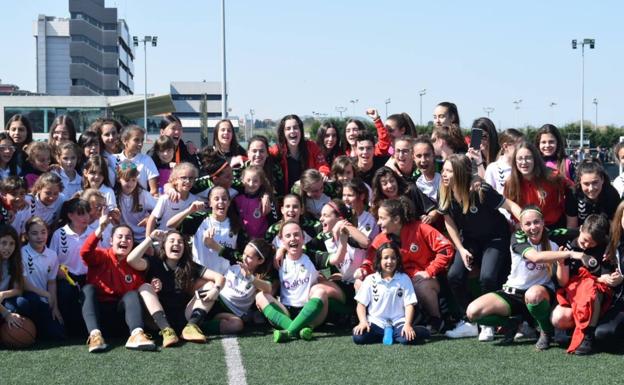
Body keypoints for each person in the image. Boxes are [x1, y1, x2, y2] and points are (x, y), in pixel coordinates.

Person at [465, 206, 583, 349]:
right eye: (527, 224)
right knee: (473, 313)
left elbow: (582, 232)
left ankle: (546, 332)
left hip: (540, 293)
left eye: (536, 222)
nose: (533, 227)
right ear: (521, 226)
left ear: (543, 222)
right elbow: (535, 257)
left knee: (533, 294)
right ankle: (512, 323)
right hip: (513, 293)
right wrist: (569, 254)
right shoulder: (518, 237)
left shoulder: (554, 236)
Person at [439, 154, 521, 340]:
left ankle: (487, 323)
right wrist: (460, 248)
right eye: (443, 170)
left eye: (449, 171)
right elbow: (449, 221)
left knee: (487, 277)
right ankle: (470, 321)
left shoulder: (480, 189)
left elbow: (509, 205)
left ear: (460, 173)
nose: (444, 174)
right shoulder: (444, 190)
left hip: (495, 238)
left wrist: (527, 220)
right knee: (454, 276)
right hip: (470, 240)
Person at [357, 198, 455, 333]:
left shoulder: (421, 228)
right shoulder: (381, 238)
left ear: (396, 219)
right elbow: (370, 260)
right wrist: (363, 270)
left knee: (422, 285)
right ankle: (371, 323)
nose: (378, 222)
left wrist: (430, 270)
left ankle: (436, 321)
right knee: (359, 282)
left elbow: (446, 248)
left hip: (425, 280)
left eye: (382, 218)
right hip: (397, 283)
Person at [126, 229, 226, 346]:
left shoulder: (189, 266)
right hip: (157, 322)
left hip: (183, 317)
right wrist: (150, 239)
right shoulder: (154, 262)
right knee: (145, 287)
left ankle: (192, 326)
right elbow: (131, 260)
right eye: (172, 241)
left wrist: (216, 289)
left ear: (184, 247)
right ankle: (166, 331)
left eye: (180, 242)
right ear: (163, 245)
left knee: (210, 285)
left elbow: (219, 277)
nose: (176, 244)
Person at [80, 208, 155, 353]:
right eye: (119, 237)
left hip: (122, 319)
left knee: (132, 294)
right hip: (98, 316)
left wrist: (154, 287)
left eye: (128, 238)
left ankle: (137, 335)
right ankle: (95, 336)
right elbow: (85, 252)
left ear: (133, 243)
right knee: (87, 289)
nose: (124, 240)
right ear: (110, 241)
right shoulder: (101, 256)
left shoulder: (135, 264)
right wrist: (100, 228)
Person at [256, 221, 334, 343]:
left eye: (297, 235)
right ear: (281, 241)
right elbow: (270, 287)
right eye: (288, 236)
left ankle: (290, 332)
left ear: (303, 239)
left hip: (309, 313)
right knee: (260, 296)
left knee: (321, 292)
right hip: (286, 312)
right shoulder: (277, 261)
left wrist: (343, 242)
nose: (293, 238)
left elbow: (335, 258)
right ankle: (299, 329)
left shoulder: (311, 256)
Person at [550, 214, 616, 355]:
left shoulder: (605, 247)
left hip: (594, 295)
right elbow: (563, 282)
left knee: (592, 288)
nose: (587, 246)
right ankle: (572, 329)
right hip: (570, 292)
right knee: (559, 318)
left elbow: (604, 275)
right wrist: (561, 263)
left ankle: (588, 335)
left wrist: (609, 278)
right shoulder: (567, 244)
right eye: (585, 240)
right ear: (580, 229)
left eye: (592, 244)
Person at [353, 242, 428, 345]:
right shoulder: (370, 279)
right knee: (359, 338)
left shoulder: (404, 279)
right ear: (379, 260)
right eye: (386, 258)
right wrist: (363, 322)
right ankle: (386, 333)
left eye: (393, 258)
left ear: (397, 260)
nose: (390, 261)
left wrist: (408, 324)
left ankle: (417, 330)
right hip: (376, 322)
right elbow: (361, 304)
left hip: (398, 322)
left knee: (407, 339)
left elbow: (409, 305)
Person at [169, 186, 245, 275]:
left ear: (229, 202)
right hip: (201, 275)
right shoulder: (200, 219)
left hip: (226, 278)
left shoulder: (235, 225)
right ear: (210, 203)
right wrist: (189, 211)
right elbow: (170, 224)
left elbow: (240, 256)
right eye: (216, 199)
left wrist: (214, 245)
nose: (220, 201)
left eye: (224, 199)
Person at [209, 238, 274, 334]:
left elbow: (268, 288)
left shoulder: (261, 275)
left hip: (230, 313)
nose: (244, 258)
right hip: (216, 300)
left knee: (237, 325)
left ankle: (203, 326)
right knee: (209, 285)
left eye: (249, 257)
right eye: (244, 253)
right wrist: (209, 241)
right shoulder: (237, 260)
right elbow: (221, 249)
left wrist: (250, 277)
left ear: (260, 261)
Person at [504, 141, 574, 228]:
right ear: (515, 161)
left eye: (528, 158)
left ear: (535, 159)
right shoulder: (510, 183)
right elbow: (510, 207)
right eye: (520, 158)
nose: (524, 162)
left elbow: (573, 189)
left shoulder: (552, 177)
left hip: (552, 228)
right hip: (527, 229)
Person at [48, 198, 91, 334]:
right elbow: (52, 259)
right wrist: (59, 272)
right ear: (70, 215)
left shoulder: (93, 232)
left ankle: (90, 329)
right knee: (65, 292)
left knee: (91, 293)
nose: (86, 217)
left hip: (89, 277)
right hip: (66, 278)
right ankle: (66, 328)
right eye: (81, 214)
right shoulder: (59, 234)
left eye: (87, 213)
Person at [21, 217, 65, 340]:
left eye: (43, 232)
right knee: (30, 301)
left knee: (58, 335)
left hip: (45, 300)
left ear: (48, 233)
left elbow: (52, 282)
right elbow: (24, 284)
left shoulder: (52, 255)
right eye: (34, 233)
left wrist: (55, 307)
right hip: (29, 298)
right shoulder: (21, 253)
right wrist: (45, 294)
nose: (39, 237)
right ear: (27, 235)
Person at [269, 114, 330, 193]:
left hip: (309, 193)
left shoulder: (311, 146)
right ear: (283, 133)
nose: (292, 131)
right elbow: (262, 154)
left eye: (295, 127)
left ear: (301, 130)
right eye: (288, 129)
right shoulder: (277, 150)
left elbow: (322, 164)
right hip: (287, 196)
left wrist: (323, 172)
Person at [147, 162, 200, 235]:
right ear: (175, 180)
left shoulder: (195, 200)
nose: (188, 181)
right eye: (183, 178)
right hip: (164, 238)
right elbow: (152, 219)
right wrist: (148, 240)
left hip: (183, 240)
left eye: (191, 178)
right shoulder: (166, 198)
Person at [567, 159, 620, 227]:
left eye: (595, 182)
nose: (591, 188)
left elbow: (615, 227)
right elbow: (571, 226)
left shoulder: (611, 194)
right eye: (586, 184)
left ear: (602, 180)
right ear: (579, 182)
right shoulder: (573, 194)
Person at [115, 160, 157, 243]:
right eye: (127, 180)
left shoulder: (143, 194)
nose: (130, 184)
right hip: (124, 238)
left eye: (133, 180)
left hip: (143, 237)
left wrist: (150, 218)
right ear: (119, 179)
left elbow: (158, 210)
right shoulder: (115, 195)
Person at [0, 224, 30, 330]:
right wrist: (7, 314)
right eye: (3, 243)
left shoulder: (16, 262)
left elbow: (18, 290)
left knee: (22, 303)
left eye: (12, 244)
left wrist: (3, 294)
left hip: (3, 300)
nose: (8, 248)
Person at [115, 125, 159, 196]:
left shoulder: (147, 160)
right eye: (136, 140)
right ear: (125, 141)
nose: (140, 144)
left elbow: (154, 190)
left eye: (142, 140)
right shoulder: (113, 159)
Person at [233, 166, 275, 238]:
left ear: (261, 182)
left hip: (261, 238)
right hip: (243, 238)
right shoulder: (237, 199)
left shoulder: (265, 200)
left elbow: (273, 218)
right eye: (248, 180)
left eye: (255, 181)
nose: (251, 184)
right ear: (242, 180)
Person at [484, 129, 524, 195]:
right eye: (519, 146)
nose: (522, 149)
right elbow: (487, 194)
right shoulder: (493, 168)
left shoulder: (522, 166)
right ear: (505, 146)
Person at [87, 118, 122, 185]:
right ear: (100, 137)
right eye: (107, 134)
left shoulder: (124, 153)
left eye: (114, 133)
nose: (111, 137)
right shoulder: (98, 157)